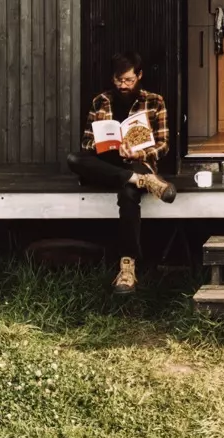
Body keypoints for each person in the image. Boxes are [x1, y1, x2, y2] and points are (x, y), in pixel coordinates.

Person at [66, 51, 175, 294]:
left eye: (128, 80)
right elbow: (86, 143)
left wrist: (139, 153)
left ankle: (127, 266)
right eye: (118, 80)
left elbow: (164, 145)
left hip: (137, 161)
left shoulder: (155, 101)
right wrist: (106, 146)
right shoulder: (100, 101)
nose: (123, 85)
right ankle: (142, 181)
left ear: (139, 76)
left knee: (128, 194)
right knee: (74, 159)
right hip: (106, 164)